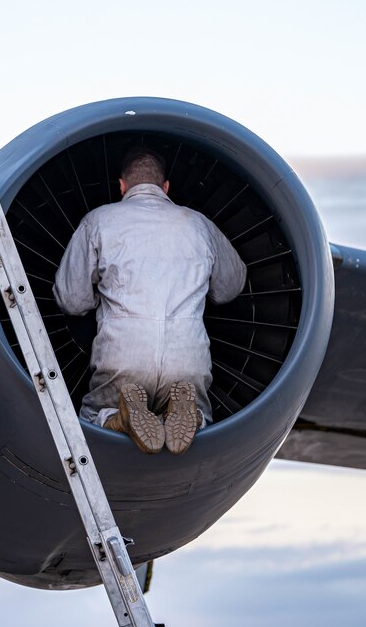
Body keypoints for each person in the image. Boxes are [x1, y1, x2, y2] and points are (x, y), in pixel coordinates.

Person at [53, 146, 246, 455]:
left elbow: (71, 300)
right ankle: (189, 414)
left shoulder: (98, 222)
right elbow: (230, 287)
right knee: (199, 414)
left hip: (123, 357)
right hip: (187, 360)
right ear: (165, 188)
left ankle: (117, 418)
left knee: (91, 417)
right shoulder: (199, 225)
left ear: (122, 186)